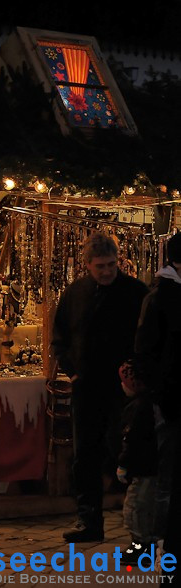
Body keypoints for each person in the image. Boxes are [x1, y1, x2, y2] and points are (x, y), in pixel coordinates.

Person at [51, 232, 148, 542]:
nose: (106, 271)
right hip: (87, 386)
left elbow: (147, 338)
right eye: (100, 266)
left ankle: (136, 522)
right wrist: (73, 373)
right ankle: (88, 521)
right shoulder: (75, 293)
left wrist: (135, 374)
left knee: (124, 451)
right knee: (86, 455)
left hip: (125, 388)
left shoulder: (135, 293)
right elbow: (60, 337)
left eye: (111, 265)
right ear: (88, 265)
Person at [134, 232, 181, 575]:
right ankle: (153, 543)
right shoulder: (162, 297)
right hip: (169, 399)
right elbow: (148, 352)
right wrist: (158, 393)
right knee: (161, 477)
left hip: (170, 395)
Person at [115, 360, 159, 563]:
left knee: (136, 507)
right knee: (142, 505)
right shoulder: (147, 405)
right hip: (147, 466)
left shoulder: (138, 409)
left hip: (142, 468)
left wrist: (123, 464)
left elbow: (131, 440)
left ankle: (141, 545)